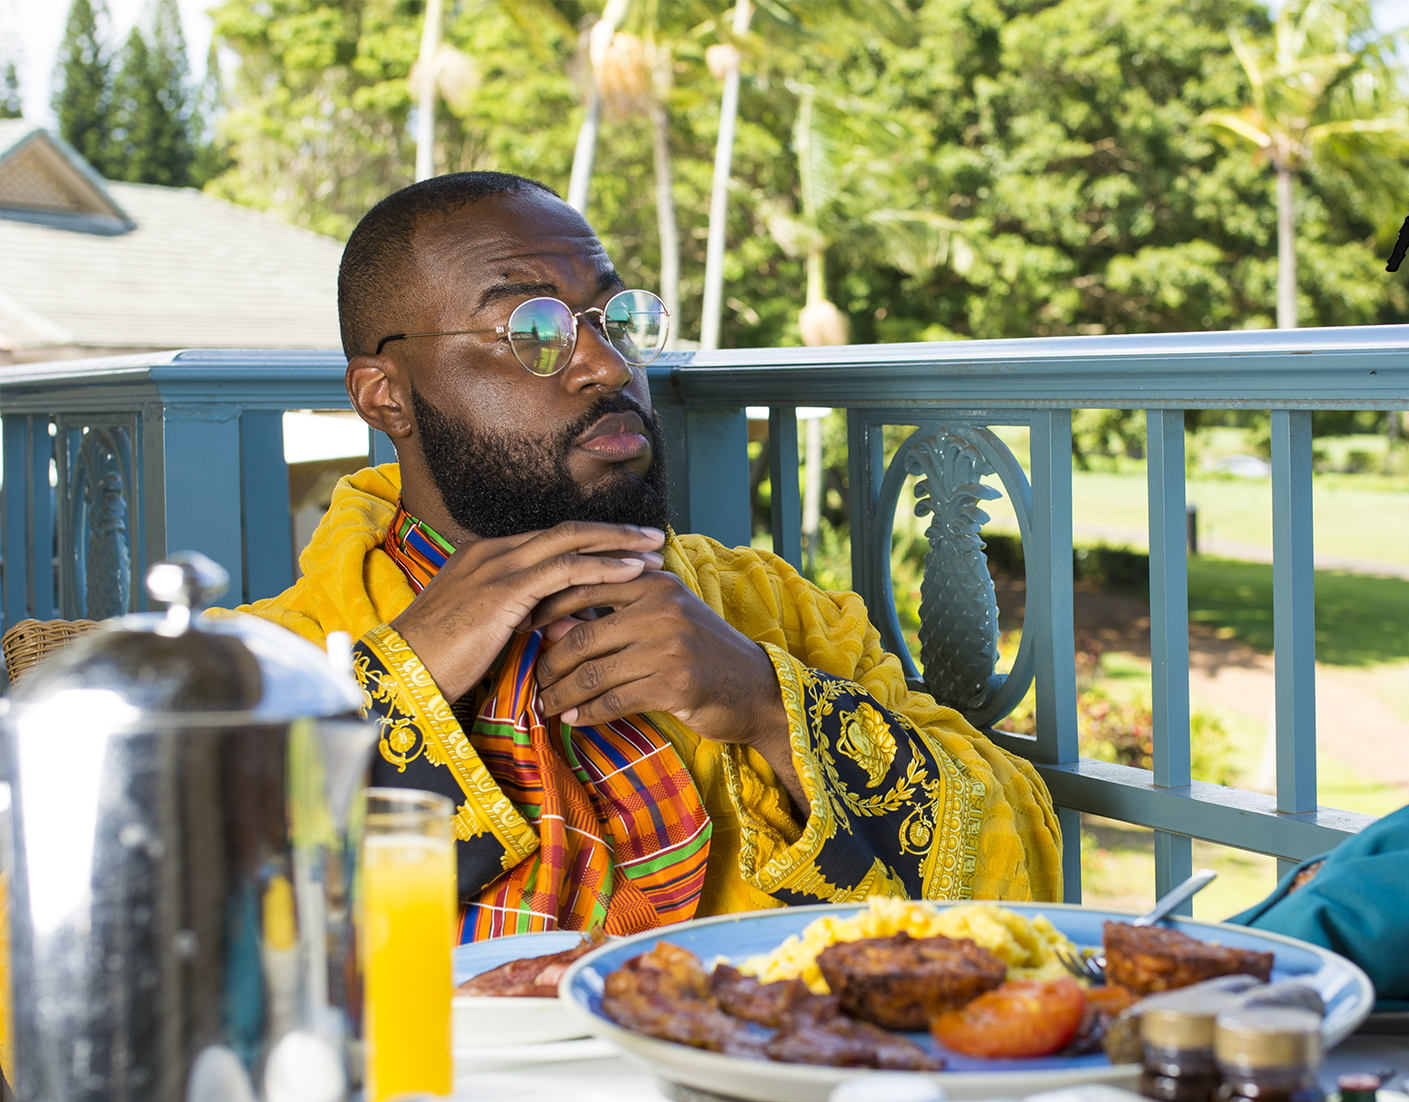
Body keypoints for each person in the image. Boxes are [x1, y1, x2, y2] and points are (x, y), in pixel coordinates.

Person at [238, 171, 1061, 942]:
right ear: (384, 395)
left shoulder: (765, 611)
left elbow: (1019, 856)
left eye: (615, 319)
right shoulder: (273, 658)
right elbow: (189, 923)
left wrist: (771, 705)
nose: (607, 365)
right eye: (534, 330)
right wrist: (395, 685)